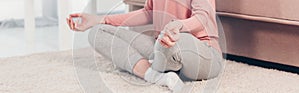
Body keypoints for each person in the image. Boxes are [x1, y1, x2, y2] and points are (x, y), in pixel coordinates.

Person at [67, 0, 223, 92]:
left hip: (201, 50)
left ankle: (153, 64)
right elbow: (149, 12)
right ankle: (154, 74)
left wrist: (177, 26)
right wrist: (101, 19)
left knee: (175, 42)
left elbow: (202, 17)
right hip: (162, 45)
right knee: (97, 32)